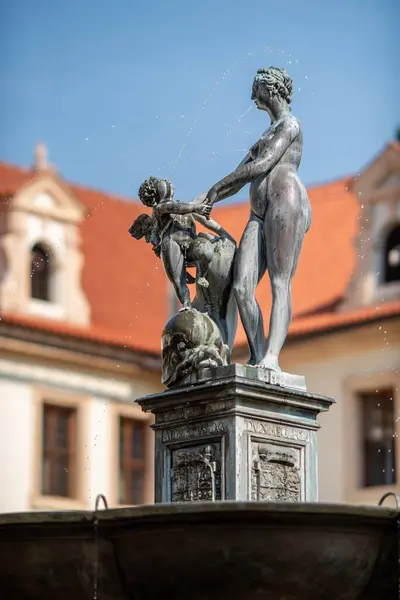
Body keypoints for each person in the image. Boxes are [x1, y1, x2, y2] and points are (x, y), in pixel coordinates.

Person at [202, 67, 312, 371]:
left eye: (257, 89)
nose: (252, 96)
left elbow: (263, 163)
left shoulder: (290, 125)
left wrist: (216, 188)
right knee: (241, 286)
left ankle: (272, 359)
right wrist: (204, 199)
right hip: (258, 212)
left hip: (285, 200)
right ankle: (257, 352)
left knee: (280, 282)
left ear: (272, 88)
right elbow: (237, 178)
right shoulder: (267, 132)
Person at [129, 177, 233, 309]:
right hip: (172, 244)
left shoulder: (184, 207)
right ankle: (186, 304)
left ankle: (202, 275)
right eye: (161, 184)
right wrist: (196, 207)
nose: (166, 183)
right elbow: (175, 207)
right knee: (178, 281)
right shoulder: (160, 208)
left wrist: (222, 232)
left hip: (190, 243)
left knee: (205, 249)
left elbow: (199, 217)